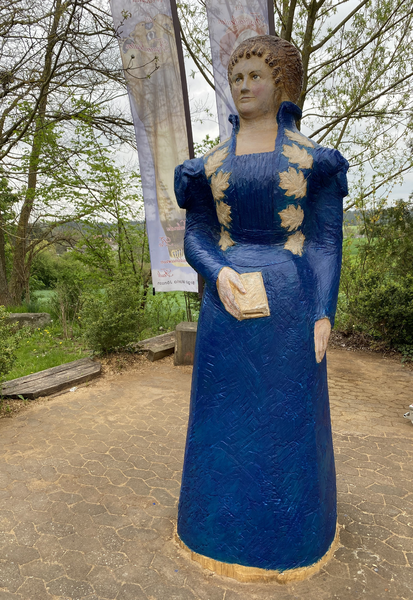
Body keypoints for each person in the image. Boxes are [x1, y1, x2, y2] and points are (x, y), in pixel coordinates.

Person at [174, 35, 349, 582]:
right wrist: (218, 272)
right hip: (226, 309)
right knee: (220, 418)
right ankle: (211, 528)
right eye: (237, 77)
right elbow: (196, 236)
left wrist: (323, 311)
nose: (245, 86)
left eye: (256, 76)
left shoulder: (312, 160)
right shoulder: (208, 166)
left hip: (291, 306)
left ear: (281, 83)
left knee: (288, 419)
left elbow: (325, 241)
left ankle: (294, 534)